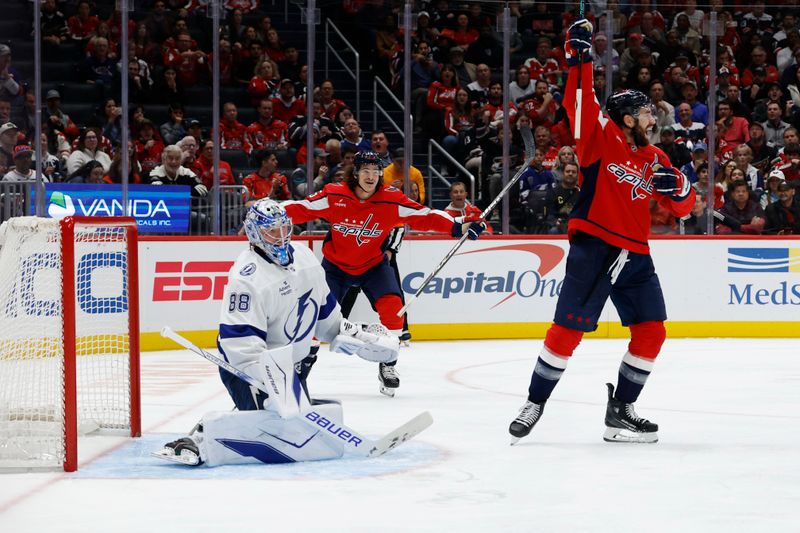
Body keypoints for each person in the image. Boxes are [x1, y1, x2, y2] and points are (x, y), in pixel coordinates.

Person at [508, 19, 695, 445]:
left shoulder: (654, 157)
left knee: (652, 330)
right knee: (567, 331)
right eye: (647, 110)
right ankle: (535, 402)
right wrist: (579, 56)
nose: (653, 115)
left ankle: (621, 411)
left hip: (636, 255)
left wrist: (681, 187)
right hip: (595, 247)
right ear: (628, 117)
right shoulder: (600, 136)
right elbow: (579, 101)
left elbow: (684, 206)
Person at [154, 199, 400, 466]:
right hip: (249, 369)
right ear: (255, 233)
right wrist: (274, 384)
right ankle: (198, 439)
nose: (281, 237)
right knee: (277, 431)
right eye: (272, 231)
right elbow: (241, 350)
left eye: (285, 228)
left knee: (294, 429)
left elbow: (327, 318)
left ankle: (246, 417)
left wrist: (357, 338)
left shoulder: (305, 257)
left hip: (293, 365)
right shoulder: (245, 278)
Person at [283, 151, 486, 397]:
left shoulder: (390, 199)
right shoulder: (335, 195)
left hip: (373, 267)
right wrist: (271, 211)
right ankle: (300, 373)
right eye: (365, 171)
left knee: (393, 310)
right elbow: (301, 208)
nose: (371, 176)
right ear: (355, 173)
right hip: (335, 268)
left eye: (376, 171)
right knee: (315, 318)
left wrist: (458, 226)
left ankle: (387, 366)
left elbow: (424, 215)